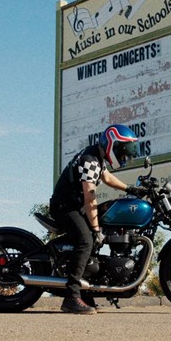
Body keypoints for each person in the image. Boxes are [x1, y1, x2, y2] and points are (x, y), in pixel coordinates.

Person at [49, 124, 146, 314]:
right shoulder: (90, 160)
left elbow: (107, 177)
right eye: (122, 150)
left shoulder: (97, 157)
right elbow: (90, 196)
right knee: (86, 240)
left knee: (95, 238)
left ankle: (86, 293)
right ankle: (71, 297)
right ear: (111, 144)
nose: (124, 156)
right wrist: (95, 229)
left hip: (73, 205)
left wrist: (130, 189)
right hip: (64, 206)